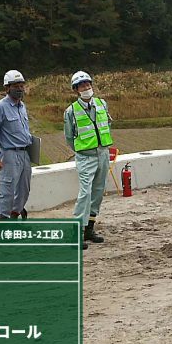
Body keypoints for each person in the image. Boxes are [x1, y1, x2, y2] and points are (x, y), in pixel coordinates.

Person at [63, 71, 112, 250]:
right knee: (85, 193)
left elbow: (107, 124)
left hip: (103, 153)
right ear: (76, 90)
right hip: (86, 157)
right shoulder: (71, 111)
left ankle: (89, 229)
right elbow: (69, 136)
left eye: (88, 84)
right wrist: (81, 150)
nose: (87, 87)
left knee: (98, 192)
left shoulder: (101, 104)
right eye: (82, 85)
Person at [0, 70, 33, 219]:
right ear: (7, 88)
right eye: (15, 86)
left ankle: (14, 216)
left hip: (25, 153)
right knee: (7, 190)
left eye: (21, 85)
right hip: (9, 154)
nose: (19, 89)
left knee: (23, 190)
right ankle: (1, 221)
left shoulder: (22, 106)